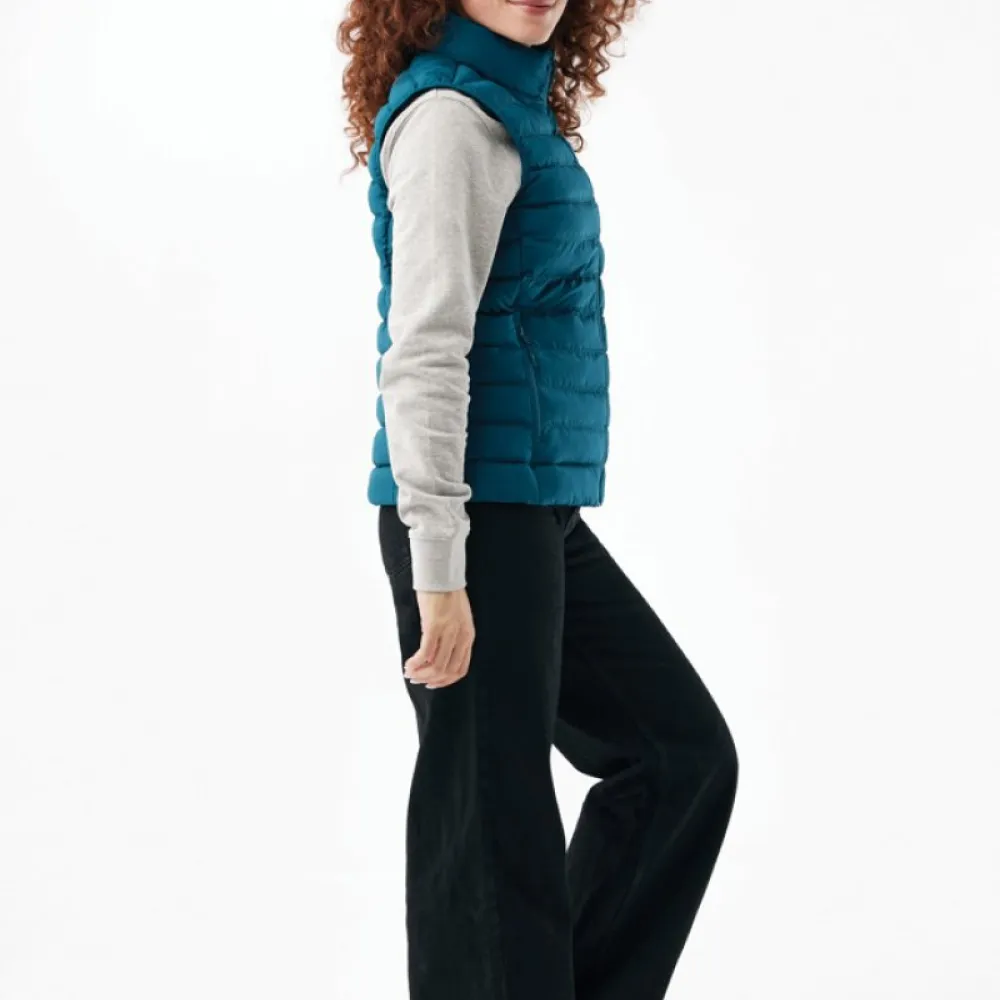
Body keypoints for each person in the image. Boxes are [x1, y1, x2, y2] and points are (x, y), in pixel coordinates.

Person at [338, 3, 739, 998]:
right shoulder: (450, 122)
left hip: (532, 512)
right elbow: (424, 352)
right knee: (489, 836)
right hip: (470, 518)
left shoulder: (508, 107)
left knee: (677, 757)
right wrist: (440, 567)